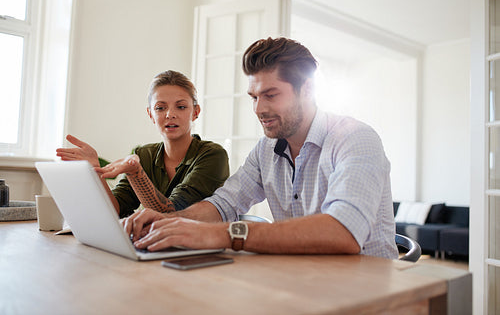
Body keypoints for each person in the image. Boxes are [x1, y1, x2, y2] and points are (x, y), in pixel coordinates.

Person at [104, 37, 398, 259]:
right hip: (302, 281)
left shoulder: (355, 139)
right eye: (253, 97)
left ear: (307, 90)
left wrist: (226, 234)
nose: (259, 109)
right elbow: (223, 205)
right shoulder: (266, 150)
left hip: (368, 290)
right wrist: (168, 222)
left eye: (270, 95)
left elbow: (343, 232)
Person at [56, 70, 229, 218]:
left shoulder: (213, 155)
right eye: (160, 108)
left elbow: (170, 214)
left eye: (181, 107)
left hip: (197, 249)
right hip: (153, 245)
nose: (170, 114)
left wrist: (136, 173)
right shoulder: (144, 155)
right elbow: (115, 209)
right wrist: (95, 171)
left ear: (195, 112)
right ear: (150, 114)